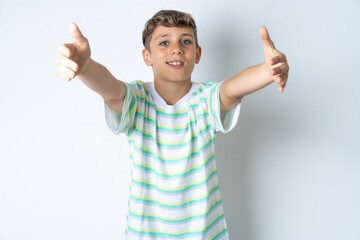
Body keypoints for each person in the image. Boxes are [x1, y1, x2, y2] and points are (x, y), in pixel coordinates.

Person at [57, 9, 289, 240]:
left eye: (185, 41)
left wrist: (268, 71)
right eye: (164, 42)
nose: (176, 48)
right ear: (147, 56)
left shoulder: (204, 100)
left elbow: (234, 88)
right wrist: (86, 67)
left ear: (197, 54)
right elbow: (110, 88)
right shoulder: (138, 100)